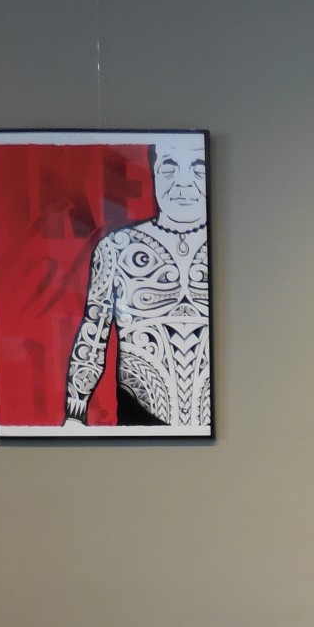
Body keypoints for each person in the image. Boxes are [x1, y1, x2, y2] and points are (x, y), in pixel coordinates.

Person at [64, 135, 210, 427]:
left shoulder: (231, 252)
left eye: (197, 167)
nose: (182, 182)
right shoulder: (117, 248)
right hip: (139, 423)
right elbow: (93, 335)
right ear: (154, 170)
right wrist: (75, 416)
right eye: (169, 167)